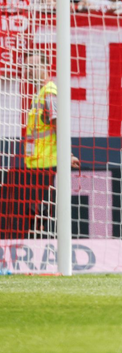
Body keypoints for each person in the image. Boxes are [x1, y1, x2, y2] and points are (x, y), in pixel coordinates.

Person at [0, 51, 80, 239]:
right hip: (34, 165)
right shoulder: (39, 95)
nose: (28, 71)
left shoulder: (49, 93)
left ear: (45, 68)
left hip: (46, 165)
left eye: (33, 67)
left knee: (32, 212)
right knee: (29, 213)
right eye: (26, 68)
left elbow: (59, 124)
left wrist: (67, 155)